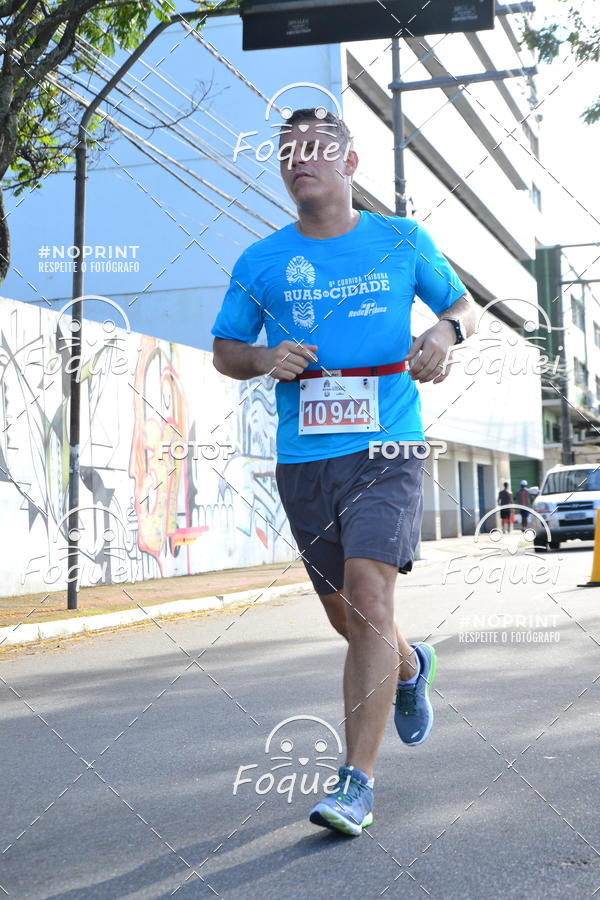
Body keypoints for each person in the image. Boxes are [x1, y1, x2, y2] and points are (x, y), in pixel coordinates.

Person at [211, 108, 477, 836]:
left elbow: (461, 305)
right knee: (350, 615)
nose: (299, 161)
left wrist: (442, 332)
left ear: (349, 165)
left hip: (388, 443)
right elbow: (226, 349)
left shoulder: (401, 240)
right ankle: (410, 667)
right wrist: (266, 358)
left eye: (314, 150)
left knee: (367, 595)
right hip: (304, 458)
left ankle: (356, 783)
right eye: (287, 152)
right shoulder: (262, 261)